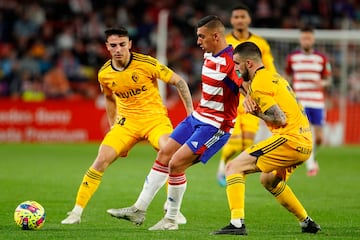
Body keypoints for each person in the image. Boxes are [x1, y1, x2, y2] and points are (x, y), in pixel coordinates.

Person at [107, 15, 242, 231]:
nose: (198, 41)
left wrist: (256, 100)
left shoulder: (232, 62)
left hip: (216, 126)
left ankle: (171, 219)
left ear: (216, 36)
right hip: (197, 118)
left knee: (176, 164)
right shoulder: (208, 55)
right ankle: (139, 209)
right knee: (163, 154)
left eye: (201, 37)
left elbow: (245, 86)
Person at [61, 27, 194, 224]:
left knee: (171, 155)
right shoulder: (104, 73)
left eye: (122, 44)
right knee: (101, 159)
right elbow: (109, 99)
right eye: (113, 45)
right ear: (107, 47)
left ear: (130, 44)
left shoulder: (146, 63)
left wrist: (191, 114)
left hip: (154, 120)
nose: (118, 49)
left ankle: (172, 208)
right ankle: (76, 212)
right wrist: (113, 125)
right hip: (127, 124)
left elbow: (179, 82)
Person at [213, 42, 321, 235]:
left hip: (289, 139)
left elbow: (280, 119)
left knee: (233, 167)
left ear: (249, 63)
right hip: (305, 142)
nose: (236, 68)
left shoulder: (260, 84)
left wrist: (256, 114)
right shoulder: (272, 77)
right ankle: (307, 222)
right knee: (269, 179)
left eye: (237, 63)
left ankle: (237, 223)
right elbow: (250, 90)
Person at [217, 3, 277, 186]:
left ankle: (233, 170)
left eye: (243, 16)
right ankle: (222, 169)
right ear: (231, 20)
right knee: (234, 142)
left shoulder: (260, 43)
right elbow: (220, 69)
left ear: (249, 19)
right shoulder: (224, 42)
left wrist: (272, 89)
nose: (240, 20)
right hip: (231, 97)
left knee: (247, 141)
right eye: (236, 17)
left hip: (253, 96)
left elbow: (269, 69)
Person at [285, 25, 332, 176]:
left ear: (313, 39)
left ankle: (311, 158)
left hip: (317, 101)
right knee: (305, 134)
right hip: (300, 101)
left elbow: (328, 79)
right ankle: (311, 165)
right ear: (300, 39)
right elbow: (288, 78)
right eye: (304, 38)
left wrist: (323, 83)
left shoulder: (321, 59)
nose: (306, 40)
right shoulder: (292, 58)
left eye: (309, 38)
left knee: (318, 138)